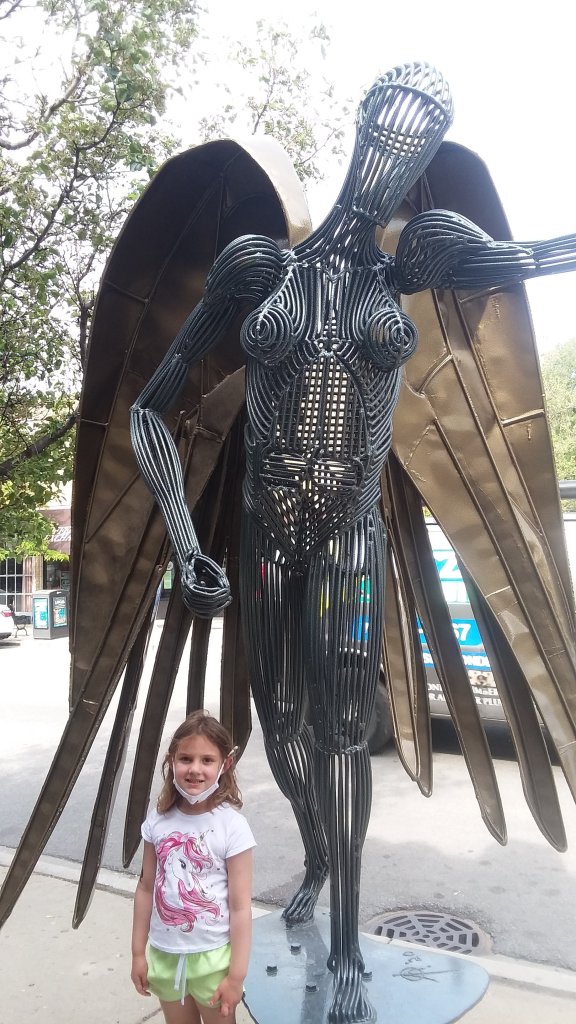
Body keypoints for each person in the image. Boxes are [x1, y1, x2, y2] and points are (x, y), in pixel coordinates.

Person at [131, 63, 576, 1023]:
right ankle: (321, 857)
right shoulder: (261, 265)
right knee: (282, 725)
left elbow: (542, 254)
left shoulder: (417, 258)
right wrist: (184, 537)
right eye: (387, 131)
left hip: (348, 534)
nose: (393, 158)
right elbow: (149, 410)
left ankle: (343, 947)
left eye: (418, 143)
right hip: (264, 530)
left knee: (338, 727)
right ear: (362, 129)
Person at [130, 711, 255, 1023]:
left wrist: (236, 977)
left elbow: (240, 907)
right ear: (171, 761)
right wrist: (137, 953)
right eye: (186, 758)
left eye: (207, 760)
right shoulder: (158, 820)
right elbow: (146, 887)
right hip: (165, 956)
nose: (195, 769)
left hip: (214, 960)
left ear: (225, 764)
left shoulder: (232, 827)